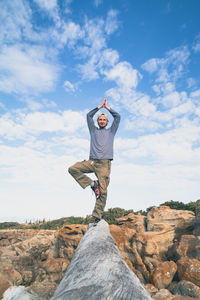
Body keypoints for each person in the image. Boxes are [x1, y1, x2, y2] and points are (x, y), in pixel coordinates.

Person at [68, 97, 120, 224]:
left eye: (104, 119)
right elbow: (88, 115)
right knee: (73, 169)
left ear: (107, 122)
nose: (102, 121)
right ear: (97, 121)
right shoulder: (93, 130)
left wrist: (107, 108)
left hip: (104, 164)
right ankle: (92, 184)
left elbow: (117, 117)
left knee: (103, 192)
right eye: (100, 119)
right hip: (92, 162)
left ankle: (97, 216)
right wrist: (99, 107)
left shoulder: (111, 132)